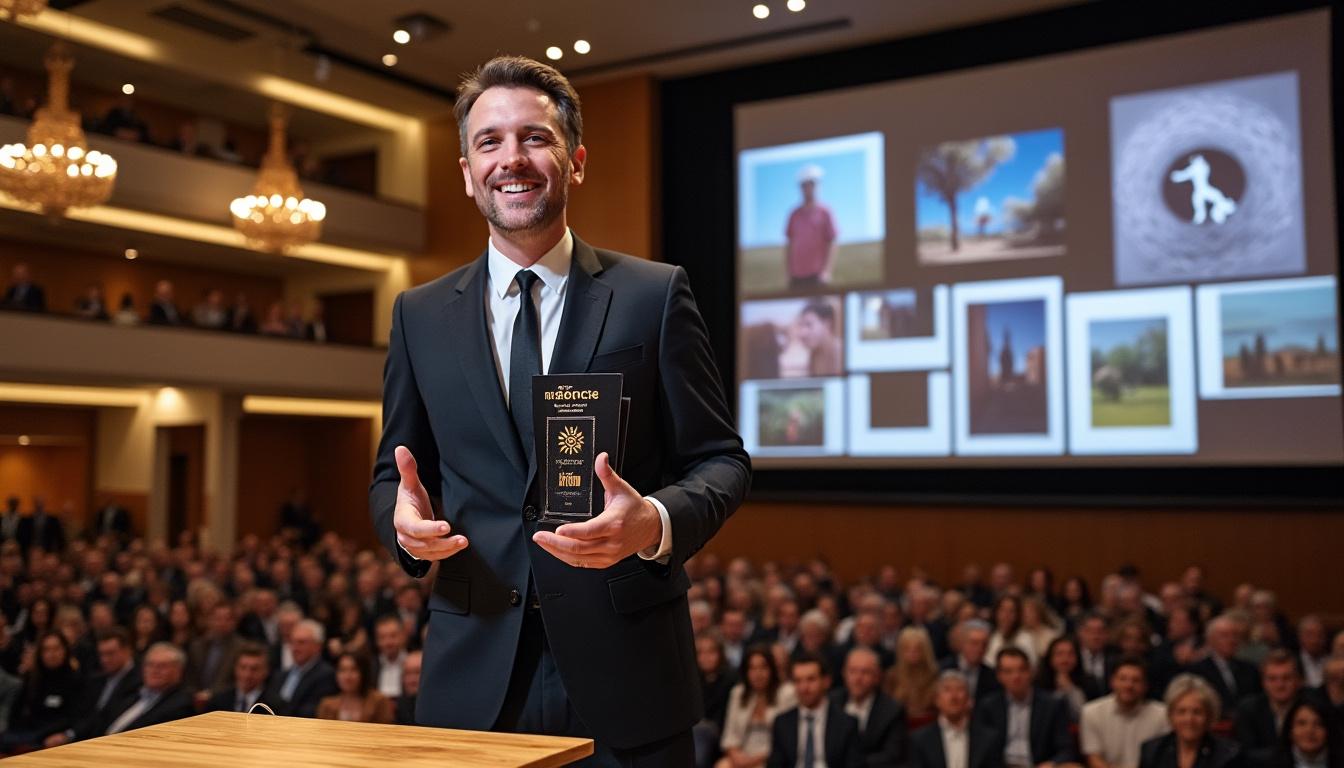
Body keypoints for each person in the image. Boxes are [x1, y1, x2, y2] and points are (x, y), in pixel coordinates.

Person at [368, 55, 750, 765]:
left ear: (574, 161)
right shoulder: (418, 315)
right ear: (465, 171)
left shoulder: (653, 295)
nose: (512, 158)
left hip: (629, 679)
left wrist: (654, 524)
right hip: (474, 678)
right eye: (489, 141)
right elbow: (393, 472)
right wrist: (402, 522)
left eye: (534, 138)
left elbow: (721, 461)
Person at [974, 647, 1078, 768]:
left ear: (1031, 672)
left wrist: (1052, 763)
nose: (1016, 676)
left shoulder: (1052, 705)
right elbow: (981, 748)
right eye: (1008, 671)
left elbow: (1066, 749)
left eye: (1021, 670)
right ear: (999, 676)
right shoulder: (988, 706)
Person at [767, 651, 862, 768]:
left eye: (811, 679)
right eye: (798, 681)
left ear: (826, 682)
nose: (804, 687)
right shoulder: (782, 722)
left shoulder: (846, 723)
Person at [0, 631, 83, 751]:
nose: (52, 654)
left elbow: (76, 717)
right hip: (28, 732)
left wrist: (66, 735)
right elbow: (16, 712)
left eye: (56, 649)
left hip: (54, 735)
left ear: (65, 650)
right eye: (46, 650)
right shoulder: (33, 679)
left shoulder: (76, 680)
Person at [1138, 674, 1244, 768]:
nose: (1189, 719)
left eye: (1197, 712)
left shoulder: (1228, 755)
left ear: (1209, 716)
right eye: (1181, 712)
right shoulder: (1152, 751)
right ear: (1171, 716)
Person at [92, 642, 195, 738]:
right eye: (150, 665)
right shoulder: (132, 692)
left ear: (178, 671)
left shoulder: (180, 705)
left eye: (162, 666)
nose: (154, 670)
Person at [1081, 657, 1170, 768]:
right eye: (1122, 679)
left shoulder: (1162, 715)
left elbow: (1164, 759)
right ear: (1112, 682)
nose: (1128, 685)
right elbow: (1094, 758)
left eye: (1136, 680)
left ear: (1145, 686)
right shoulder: (1091, 712)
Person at [719, 645, 797, 768]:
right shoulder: (738, 693)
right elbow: (730, 735)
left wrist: (753, 760)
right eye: (752, 668)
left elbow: (788, 740)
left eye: (763, 667)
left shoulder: (787, 694)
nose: (758, 674)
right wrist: (736, 756)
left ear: (772, 669)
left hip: (771, 757)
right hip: (742, 754)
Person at [910, 671, 1005, 768]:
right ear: (936, 700)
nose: (954, 696)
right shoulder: (919, 740)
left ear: (969, 700)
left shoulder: (990, 739)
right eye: (947, 690)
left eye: (960, 689)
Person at [834, 646, 907, 767]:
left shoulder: (892, 710)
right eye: (852, 671)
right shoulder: (832, 702)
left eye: (865, 672)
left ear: (877, 677)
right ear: (844, 674)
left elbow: (892, 755)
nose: (857, 678)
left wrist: (854, 764)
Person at [1233, 650, 1305, 768]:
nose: (1280, 685)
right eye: (1272, 679)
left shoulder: (1310, 707)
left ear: (1298, 680)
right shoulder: (1248, 709)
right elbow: (1247, 753)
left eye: (1286, 678)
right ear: (1263, 682)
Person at [262, 619, 336, 718]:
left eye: (301, 643)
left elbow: (310, 712)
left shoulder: (326, 675)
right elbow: (267, 703)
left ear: (317, 646)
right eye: (292, 642)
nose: (295, 648)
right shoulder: (281, 675)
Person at [1192, 616, 1262, 712]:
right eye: (1224, 635)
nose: (1231, 640)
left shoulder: (1251, 669)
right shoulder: (1197, 670)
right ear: (1210, 640)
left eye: (1235, 635)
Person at [784, 164, 837, 288]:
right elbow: (789, 244)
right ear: (800, 187)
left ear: (818, 186)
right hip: (796, 277)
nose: (808, 188)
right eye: (804, 185)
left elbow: (832, 242)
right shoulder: (794, 214)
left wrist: (827, 271)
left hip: (817, 277)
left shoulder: (825, 212)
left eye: (812, 184)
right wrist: (788, 272)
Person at [317, 652, 395, 724]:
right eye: (342, 670)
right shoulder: (327, 705)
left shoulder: (379, 701)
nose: (347, 676)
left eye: (354, 670)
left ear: (363, 673)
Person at [1036, 636, 1099, 723]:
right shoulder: (1039, 682)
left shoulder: (1089, 682)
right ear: (1050, 658)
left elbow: (1087, 716)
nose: (1065, 659)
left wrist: (1070, 689)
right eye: (1059, 654)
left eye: (1071, 654)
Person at [1272, 696, 1344, 768]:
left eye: (1319, 724)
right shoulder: (1269, 763)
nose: (1309, 731)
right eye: (1301, 723)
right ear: (1290, 730)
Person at [888, 625, 941, 721]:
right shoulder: (892, 676)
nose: (912, 653)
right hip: (899, 725)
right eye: (907, 649)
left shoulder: (935, 675)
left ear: (925, 650)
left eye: (917, 649)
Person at [942, 619, 1002, 703]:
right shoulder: (943, 669)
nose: (979, 649)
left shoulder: (992, 677)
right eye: (974, 643)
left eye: (984, 644)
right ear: (962, 643)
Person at [204, 642, 271, 713]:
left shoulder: (274, 705)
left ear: (266, 671)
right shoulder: (217, 702)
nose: (247, 675)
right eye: (243, 667)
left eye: (254, 669)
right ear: (235, 668)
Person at [797, 301, 842, 377]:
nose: (802, 333)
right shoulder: (814, 353)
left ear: (827, 324)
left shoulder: (840, 353)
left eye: (809, 325)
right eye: (801, 325)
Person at [394, 650, 422, 725]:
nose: (411, 680)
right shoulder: (398, 707)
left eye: (417, 672)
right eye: (407, 673)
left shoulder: (439, 709)